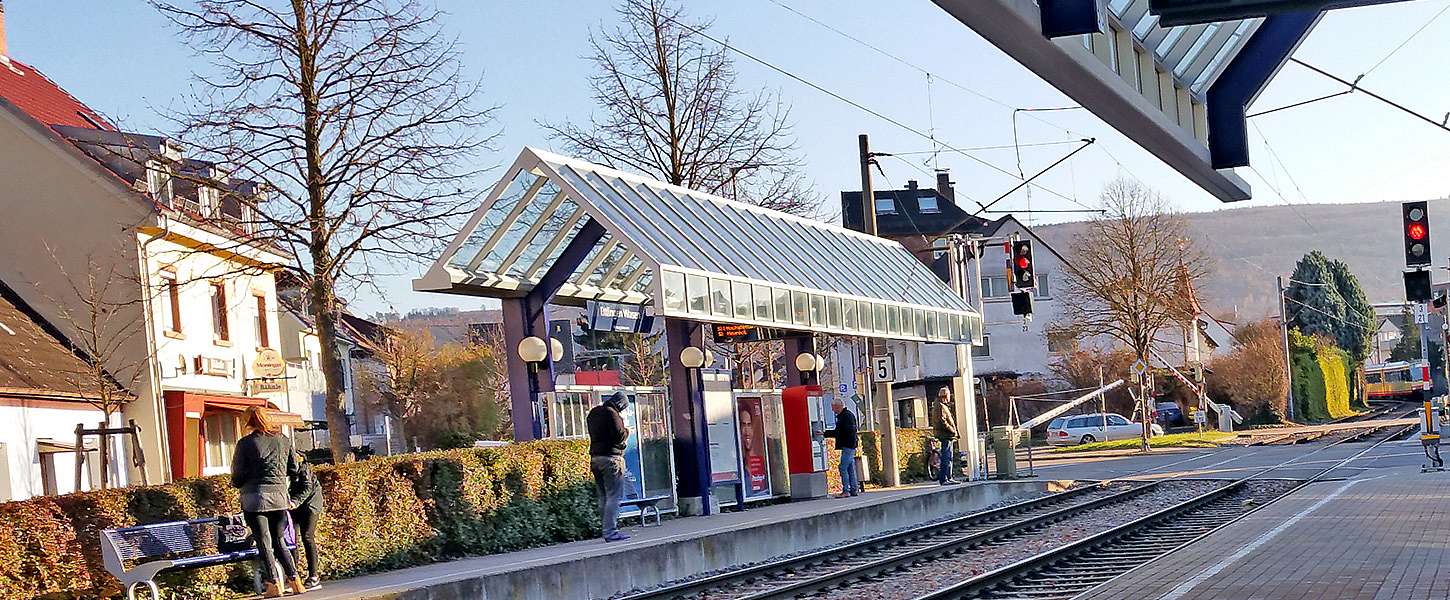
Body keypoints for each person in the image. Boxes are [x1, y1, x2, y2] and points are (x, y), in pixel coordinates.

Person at [231, 406, 303, 597]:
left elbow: (236, 478)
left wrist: (249, 475)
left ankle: (273, 584)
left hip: (254, 500)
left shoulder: (245, 444)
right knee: (280, 540)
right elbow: (293, 468)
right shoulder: (283, 440)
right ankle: (295, 581)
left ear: (248, 422)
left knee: (264, 542)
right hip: (279, 499)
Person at [587, 391, 631, 542]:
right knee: (614, 496)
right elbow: (619, 435)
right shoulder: (612, 414)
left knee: (603, 496)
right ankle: (610, 532)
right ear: (620, 404)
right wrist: (627, 431)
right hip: (611, 459)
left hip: (595, 458)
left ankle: (605, 530)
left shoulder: (593, 413)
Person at [288, 450, 324, 591]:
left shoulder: (304, 470)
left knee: (307, 536)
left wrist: (294, 502)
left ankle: (313, 576)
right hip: (295, 506)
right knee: (292, 540)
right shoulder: (286, 470)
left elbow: (307, 487)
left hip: (310, 506)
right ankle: (294, 577)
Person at [827, 398, 860, 498]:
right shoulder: (847, 415)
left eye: (833, 408)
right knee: (850, 468)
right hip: (850, 445)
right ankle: (854, 489)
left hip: (848, 446)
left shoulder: (845, 417)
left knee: (843, 467)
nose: (833, 410)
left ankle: (846, 490)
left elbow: (840, 432)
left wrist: (824, 433)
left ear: (838, 406)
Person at [932, 388, 959, 485]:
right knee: (946, 457)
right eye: (948, 395)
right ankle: (944, 479)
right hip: (945, 435)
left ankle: (949, 476)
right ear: (945, 396)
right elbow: (941, 421)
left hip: (947, 435)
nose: (949, 397)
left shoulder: (941, 405)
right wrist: (952, 430)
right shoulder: (940, 406)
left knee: (949, 457)